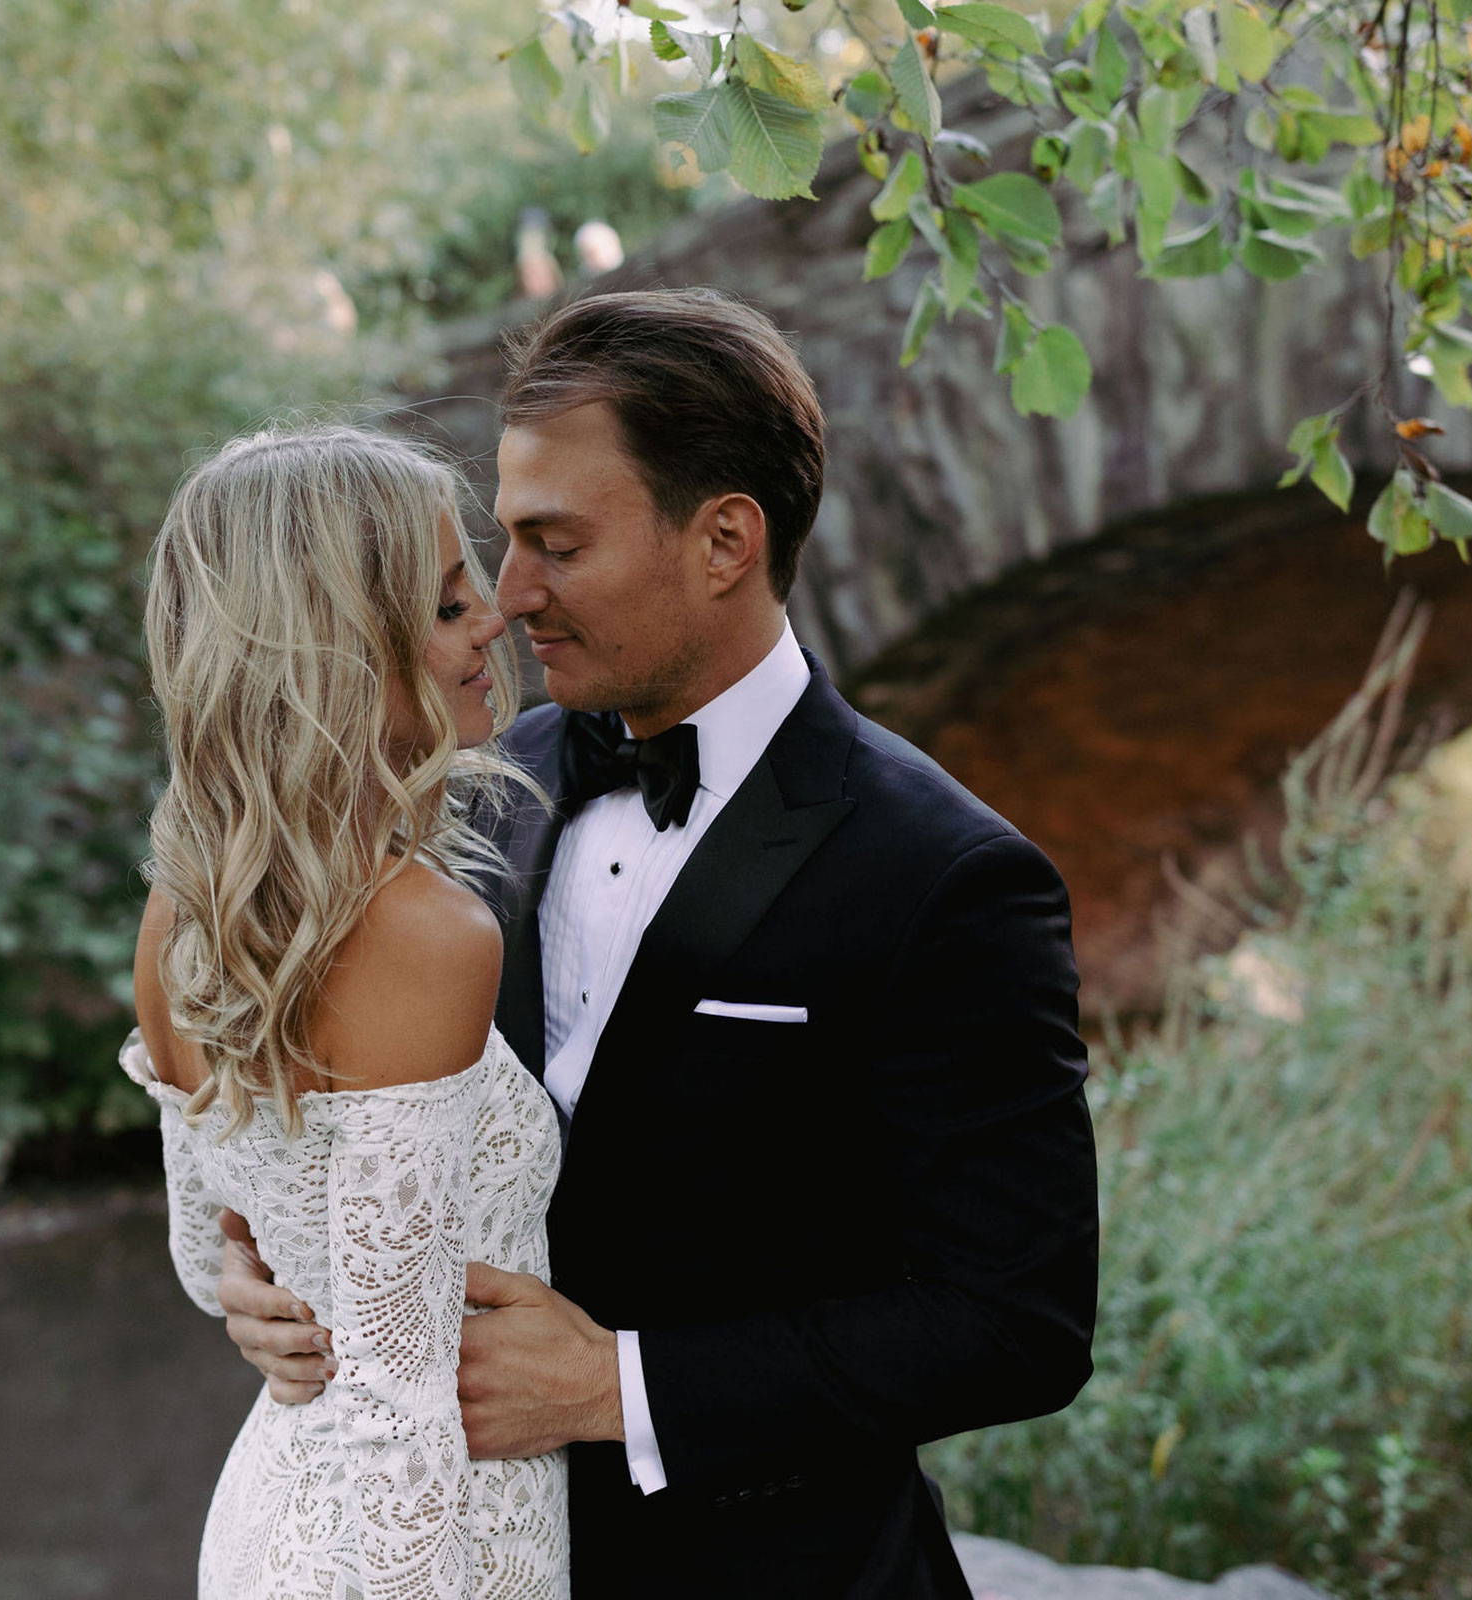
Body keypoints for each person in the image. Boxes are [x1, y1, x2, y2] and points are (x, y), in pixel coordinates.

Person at [215, 288, 1101, 1598]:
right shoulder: (468, 788)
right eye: (506, 544)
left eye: (555, 545)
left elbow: (1016, 1323)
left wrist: (615, 1386)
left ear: (724, 540)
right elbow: (346, 1112)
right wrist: (274, 1280)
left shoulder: (943, 877)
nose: (509, 597)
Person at [118, 424, 570, 1598]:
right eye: (447, 603)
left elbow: (202, 1254)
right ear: (335, 650)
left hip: (282, 1511)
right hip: (414, 1552)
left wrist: (264, 1302)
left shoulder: (182, 917)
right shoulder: (427, 936)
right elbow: (399, 1405)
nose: (494, 621)